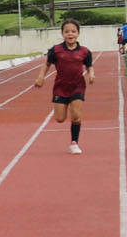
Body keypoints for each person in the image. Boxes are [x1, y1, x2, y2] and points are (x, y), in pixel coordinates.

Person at [35, 19, 94, 155]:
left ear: (78, 33)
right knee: (60, 119)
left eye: (73, 31)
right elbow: (46, 65)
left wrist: (91, 75)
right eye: (67, 31)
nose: (70, 34)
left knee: (76, 116)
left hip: (78, 86)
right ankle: (65, 106)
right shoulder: (56, 50)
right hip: (60, 87)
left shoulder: (84, 51)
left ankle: (74, 143)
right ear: (62, 34)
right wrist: (40, 77)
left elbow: (89, 66)